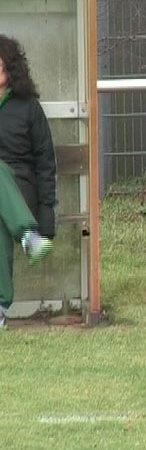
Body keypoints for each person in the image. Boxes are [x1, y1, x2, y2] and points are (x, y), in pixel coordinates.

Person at [0, 35, 57, 329]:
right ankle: (28, 238)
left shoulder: (28, 107)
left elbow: (46, 163)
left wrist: (47, 215)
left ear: (11, 69)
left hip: (21, 191)